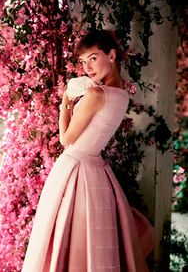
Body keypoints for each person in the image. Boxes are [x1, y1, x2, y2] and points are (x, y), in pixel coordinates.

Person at [22, 30, 155, 272]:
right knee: (92, 240)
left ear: (111, 55)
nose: (87, 67)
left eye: (93, 58)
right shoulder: (123, 94)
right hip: (97, 170)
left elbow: (66, 139)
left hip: (75, 168)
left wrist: (66, 101)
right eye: (83, 62)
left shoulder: (96, 94)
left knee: (65, 237)